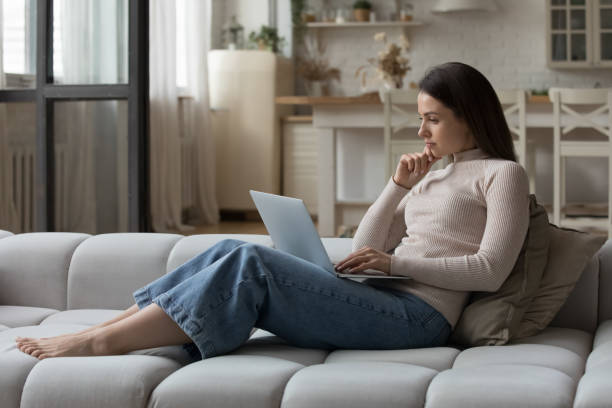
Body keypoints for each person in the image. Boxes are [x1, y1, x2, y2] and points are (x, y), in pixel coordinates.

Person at [15, 62, 529, 360]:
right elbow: (362, 246)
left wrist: (395, 265)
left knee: (253, 264)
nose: (421, 133)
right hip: (379, 297)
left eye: (433, 120)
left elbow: (490, 269)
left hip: (419, 318)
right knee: (233, 246)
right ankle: (101, 328)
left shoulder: (501, 174)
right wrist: (397, 187)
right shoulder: (433, 174)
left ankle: (101, 343)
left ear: (470, 116)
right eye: (421, 119)